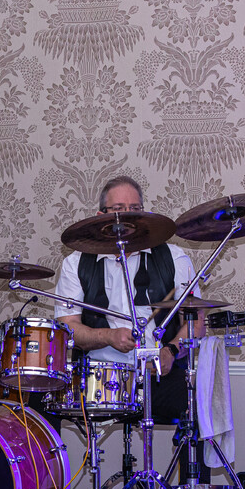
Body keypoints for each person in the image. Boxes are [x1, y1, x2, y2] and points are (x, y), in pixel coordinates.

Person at [55, 176, 199, 424]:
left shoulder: (174, 258)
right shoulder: (75, 263)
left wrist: (171, 351)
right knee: (39, 398)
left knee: (197, 407)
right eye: (118, 210)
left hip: (158, 376)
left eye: (134, 209)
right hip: (96, 377)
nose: (127, 217)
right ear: (101, 216)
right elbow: (67, 327)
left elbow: (196, 322)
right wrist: (107, 336)